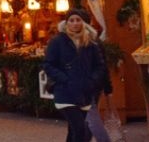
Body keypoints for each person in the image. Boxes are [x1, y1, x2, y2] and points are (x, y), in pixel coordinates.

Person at [43, 10, 106, 142]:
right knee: (80, 129)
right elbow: (48, 64)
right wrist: (64, 79)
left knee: (74, 131)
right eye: (72, 20)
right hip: (65, 92)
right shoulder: (57, 41)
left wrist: (92, 81)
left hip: (84, 93)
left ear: (83, 23)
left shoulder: (90, 42)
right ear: (66, 23)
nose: (75, 23)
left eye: (78, 20)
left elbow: (99, 66)